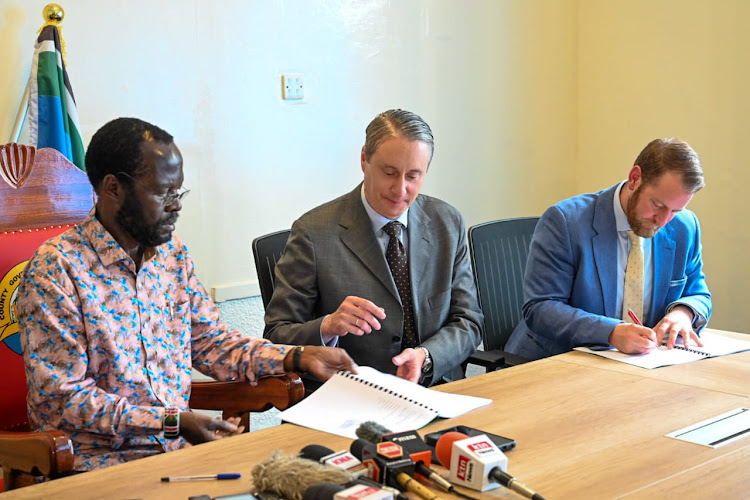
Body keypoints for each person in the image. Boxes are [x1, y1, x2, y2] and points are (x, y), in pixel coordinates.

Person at [17, 117, 357, 471]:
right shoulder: (57, 269)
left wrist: (298, 356)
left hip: (180, 455)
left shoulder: (171, 255)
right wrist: (171, 422)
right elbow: (61, 399)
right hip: (96, 465)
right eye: (163, 193)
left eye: (179, 192)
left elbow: (210, 342)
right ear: (113, 188)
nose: (176, 205)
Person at [263, 109, 482, 386]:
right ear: (364, 159)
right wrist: (328, 325)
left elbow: (469, 322)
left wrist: (426, 356)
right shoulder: (314, 232)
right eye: (389, 173)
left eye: (413, 176)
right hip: (348, 397)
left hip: (435, 388)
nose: (400, 189)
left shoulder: (447, 223)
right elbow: (275, 336)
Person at [505, 138, 711, 360]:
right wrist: (610, 333)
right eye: (658, 205)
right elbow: (541, 308)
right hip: (555, 360)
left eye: (675, 211)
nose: (663, 221)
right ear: (635, 179)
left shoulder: (685, 227)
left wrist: (683, 313)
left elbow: (698, 292)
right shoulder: (566, 221)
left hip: (639, 366)